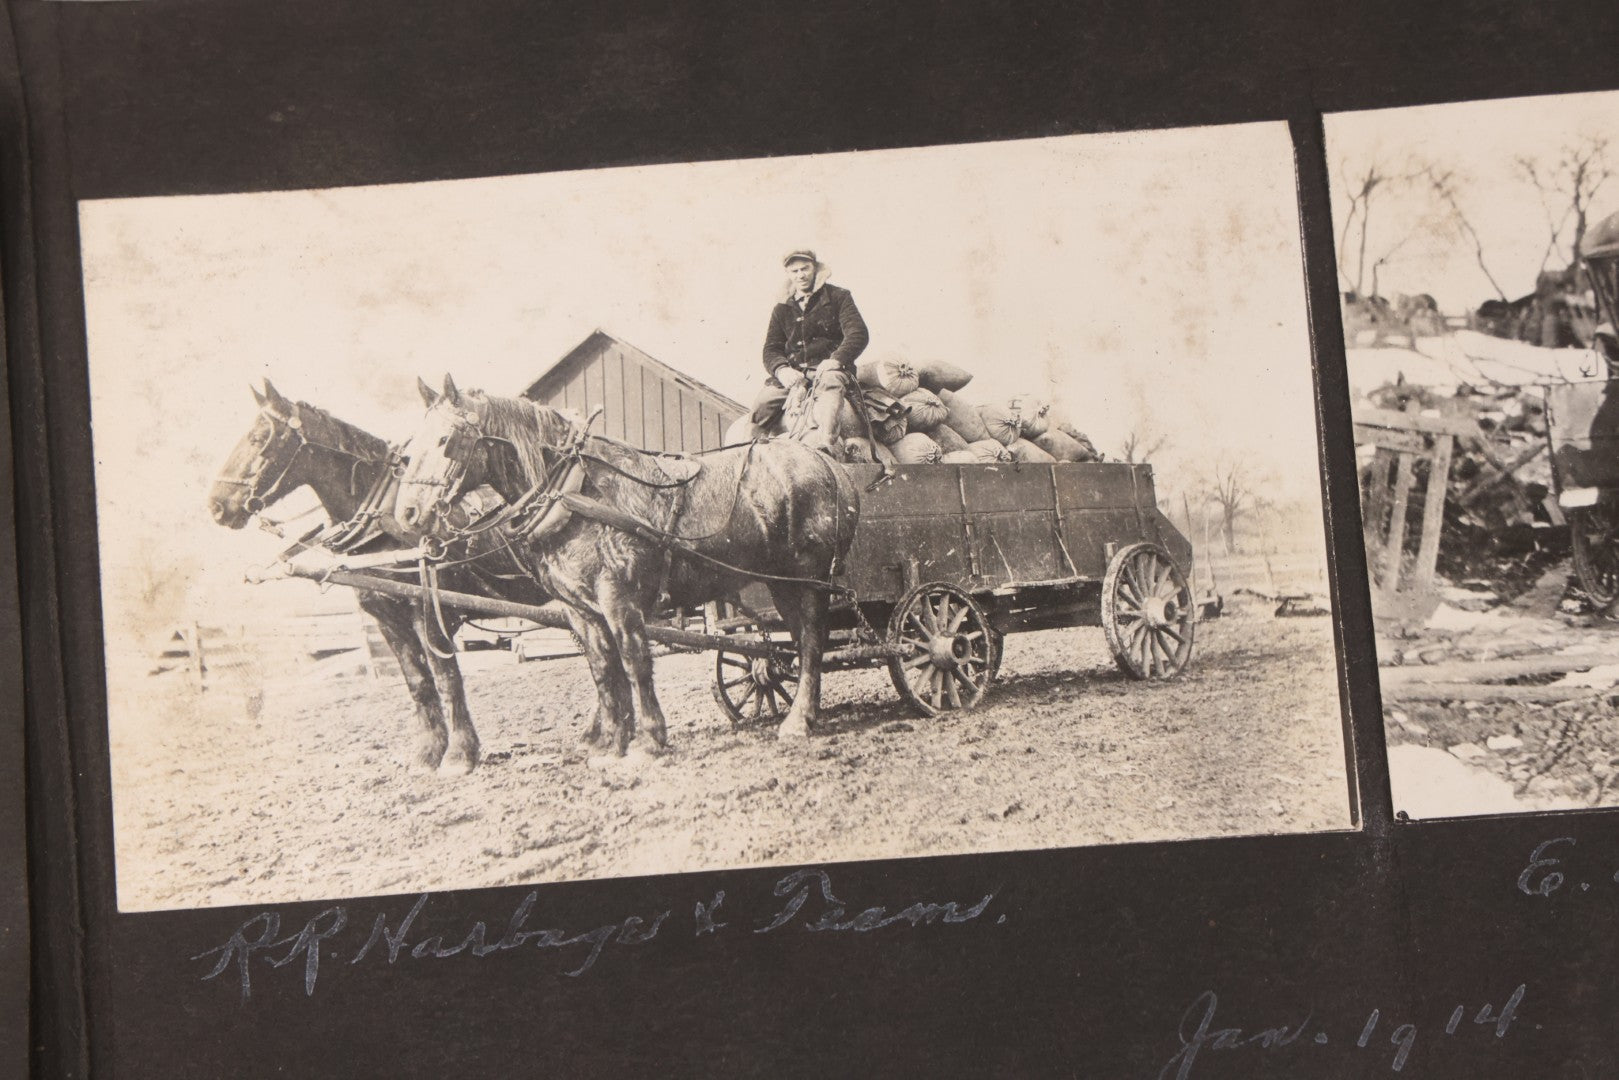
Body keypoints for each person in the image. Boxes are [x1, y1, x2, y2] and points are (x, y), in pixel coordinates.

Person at [751, 250, 869, 442]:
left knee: (830, 390)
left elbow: (858, 333)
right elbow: (771, 348)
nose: (801, 275)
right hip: (794, 375)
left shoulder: (839, 297)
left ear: (815, 268)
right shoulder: (781, 308)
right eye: (794, 271)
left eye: (805, 269)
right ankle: (753, 451)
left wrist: (836, 360)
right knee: (762, 404)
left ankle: (826, 444)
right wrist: (782, 370)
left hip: (829, 370)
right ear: (788, 274)